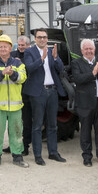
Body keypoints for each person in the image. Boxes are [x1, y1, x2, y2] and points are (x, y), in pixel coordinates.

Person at [22, 28, 67, 165]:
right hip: (38, 92)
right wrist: (41, 59)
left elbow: (61, 69)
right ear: (35, 39)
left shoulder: (52, 51)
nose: (42, 39)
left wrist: (55, 58)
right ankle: (38, 155)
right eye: (39, 37)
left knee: (52, 125)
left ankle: (53, 152)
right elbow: (29, 68)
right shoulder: (29, 52)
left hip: (52, 91)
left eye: (44, 37)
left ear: (47, 39)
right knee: (37, 125)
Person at [0, 34, 29, 168]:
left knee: (16, 131)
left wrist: (12, 74)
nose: (3, 49)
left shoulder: (18, 64)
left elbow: (23, 77)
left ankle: (17, 156)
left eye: (5, 46)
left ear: (10, 48)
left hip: (15, 105)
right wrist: (2, 73)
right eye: (0, 47)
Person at [69, 38, 98, 167]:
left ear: (94, 49)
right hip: (85, 102)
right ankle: (87, 157)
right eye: (86, 49)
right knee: (85, 131)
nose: (89, 51)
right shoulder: (76, 63)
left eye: (91, 48)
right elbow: (78, 78)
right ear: (82, 50)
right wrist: (92, 73)